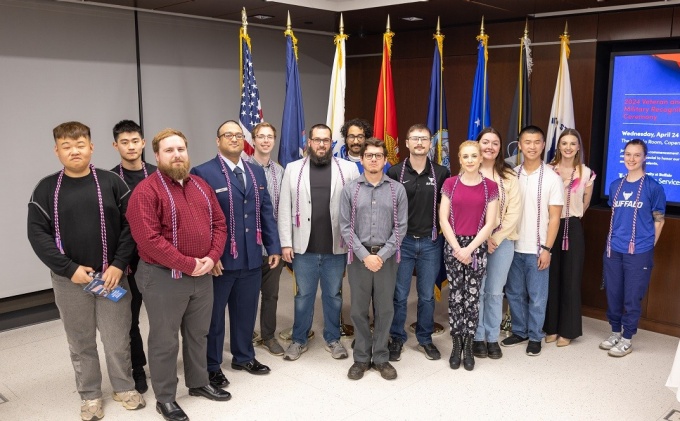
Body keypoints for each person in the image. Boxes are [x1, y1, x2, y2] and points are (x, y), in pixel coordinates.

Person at [28, 121, 145, 421]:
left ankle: (123, 386)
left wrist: (119, 264)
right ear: (57, 151)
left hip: (111, 278)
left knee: (118, 338)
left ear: (91, 147)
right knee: (80, 342)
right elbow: (37, 234)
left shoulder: (112, 183)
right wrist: (68, 269)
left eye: (80, 145)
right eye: (66, 146)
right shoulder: (45, 189)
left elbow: (132, 226)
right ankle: (90, 395)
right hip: (70, 282)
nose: (74, 151)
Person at [128, 128, 230, 421]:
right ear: (157, 156)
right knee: (165, 339)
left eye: (181, 149)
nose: (176, 155)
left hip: (203, 274)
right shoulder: (146, 192)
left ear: (188, 152)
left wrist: (211, 258)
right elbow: (148, 240)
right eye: (169, 150)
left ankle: (198, 383)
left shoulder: (200, 185)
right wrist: (187, 264)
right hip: (162, 277)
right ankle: (165, 398)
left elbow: (220, 225)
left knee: (198, 333)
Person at [191, 120, 281, 382]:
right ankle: (212, 365)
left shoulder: (256, 172)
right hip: (221, 260)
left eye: (238, 135)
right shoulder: (203, 172)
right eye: (227, 135)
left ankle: (244, 357)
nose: (234, 139)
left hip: (252, 256)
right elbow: (201, 219)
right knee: (215, 318)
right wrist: (211, 255)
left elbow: (266, 212)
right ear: (217, 141)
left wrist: (272, 246)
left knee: (245, 311)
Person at [278, 123, 360, 361]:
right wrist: (286, 243)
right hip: (304, 248)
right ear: (310, 143)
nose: (322, 144)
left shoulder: (348, 169)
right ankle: (299, 340)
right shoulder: (293, 169)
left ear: (331, 143)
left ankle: (333, 339)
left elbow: (356, 208)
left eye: (326, 140)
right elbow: (285, 209)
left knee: (333, 295)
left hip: (337, 246)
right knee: (303, 296)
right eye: (317, 140)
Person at [340, 138, 408, 380]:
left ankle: (380, 356)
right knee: (358, 309)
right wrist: (364, 255)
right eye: (369, 155)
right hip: (359, 258)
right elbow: (345, 227)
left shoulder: (396, 189)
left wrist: (380, 255)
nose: (373, 159)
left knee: (385, 308)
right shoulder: (350, 190)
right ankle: (361, 357)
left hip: (386, 258)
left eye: (378, 155)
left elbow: (400, 229)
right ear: (362, 159)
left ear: (385, 160)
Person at [386, 124, 450, 361]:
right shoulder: (394, 172)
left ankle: (425, 339)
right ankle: (396, 337)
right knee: (400, 295)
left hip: (430, 242)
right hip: (402, 243)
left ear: (430, 144)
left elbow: (446, 210)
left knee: (425, 295)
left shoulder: (441, 173)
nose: (420, 143)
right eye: (415, 138)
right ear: (407, 143)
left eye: (424, 138)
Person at [501, 125, 563, 357]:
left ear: (544, 145)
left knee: (538, 297)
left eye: (537, 142)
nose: (532, 146)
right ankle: (520, 331)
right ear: (520, 145)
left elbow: (555, 218)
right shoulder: (511, 174)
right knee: (515, 293)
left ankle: (535, 335)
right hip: (512, 246)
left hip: (538, 248)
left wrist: (547, 248)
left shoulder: (552, 178)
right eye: (527, 142)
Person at [600, 139, 665, 357]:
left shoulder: (653, 187)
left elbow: (659, 220)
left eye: (637, 155)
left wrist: (648, 246)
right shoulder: (615, 185)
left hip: (639, 251)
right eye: (628, 154)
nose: (631, 159)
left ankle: (627, 338)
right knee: (614, 293)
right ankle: (615, 332)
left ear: (644, 157)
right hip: (614, 250)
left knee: (632, 296)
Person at [440, 141, 499, 371]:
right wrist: (457, 248)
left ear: (480, 158)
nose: (471, 160)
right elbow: (443, 218)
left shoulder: (490, 187)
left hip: (477, 246)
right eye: (466, 156)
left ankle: (468, 345)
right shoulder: (450, 184)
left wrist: (470, 249)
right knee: (455, 296)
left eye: (474, 156)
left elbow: (490, 222)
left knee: (472, 298)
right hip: (454, 244)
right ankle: (456, 344)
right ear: (459, 158)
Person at [110, 119, 156, 393]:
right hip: (129, 262)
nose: (130, 146)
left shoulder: (157, 173)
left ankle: (168, 363)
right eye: (124, 142)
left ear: (142, 142)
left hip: (161, 260)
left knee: (165, 318)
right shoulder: (110, 180)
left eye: (134, 141)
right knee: (130, 320)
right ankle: (137, 368)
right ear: (116, 146)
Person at [544, 129, 596, 347]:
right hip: (550, 227)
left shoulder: (586, 173)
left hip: (572, 227)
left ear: (578, 147)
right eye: (564, 143)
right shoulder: (548, 170)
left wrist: (570, 217)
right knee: (552, 277)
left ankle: (568, 330)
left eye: (572, 144)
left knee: (571, 279)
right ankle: (552, 327)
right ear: (558, 146)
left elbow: (585, 203)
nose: (567, 147)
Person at [472, 128, 521, 360]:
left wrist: (494, 238)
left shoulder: (509, 177)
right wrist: (479, 240)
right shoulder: (468, 172)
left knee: (493, 292)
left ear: (500, 148)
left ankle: (492, 337)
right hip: (472, 243)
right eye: (485, 142)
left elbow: (513, 214)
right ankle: (477, 337)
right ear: (477, 144)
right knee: (477, 290)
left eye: (495, 143)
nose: (489, 147)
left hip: (501, 243)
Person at [246, 122, 286, 356]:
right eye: (261, 136)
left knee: (271, 294)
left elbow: (282, 210)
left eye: (270, 136)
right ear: (253, 140)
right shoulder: (242, 168)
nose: (265, 141)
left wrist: (279, 245)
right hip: (250, 246)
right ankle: (245, 333)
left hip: (272, 246)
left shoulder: (280, 171)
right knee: (247, 295)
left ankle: (268, 336)